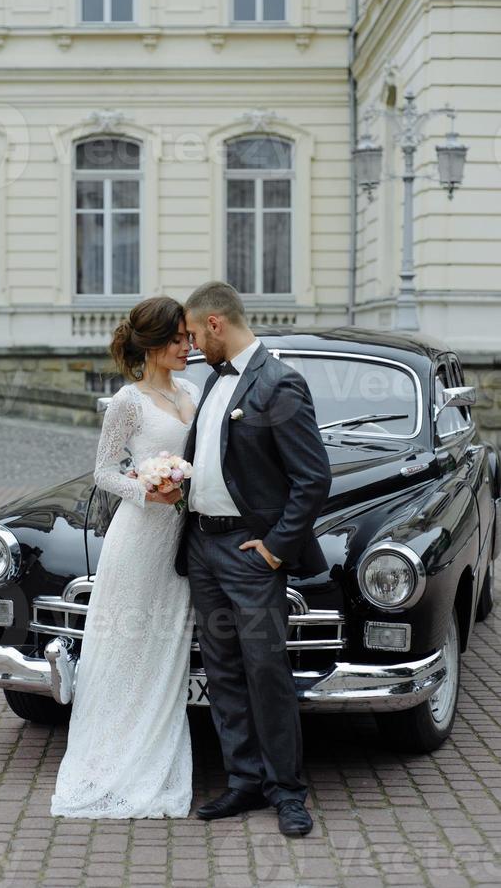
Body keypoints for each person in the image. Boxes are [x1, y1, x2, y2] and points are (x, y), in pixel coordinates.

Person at [177, 280, 332, 837]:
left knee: (266, 669)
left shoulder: (279, 384)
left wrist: (274, 548)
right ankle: (243, 782)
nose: (192, 345)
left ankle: (287, 792)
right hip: (202, 546)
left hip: (249, 553)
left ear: (215, 324)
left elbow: (312, 478)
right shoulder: (212, 381)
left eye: (195, 333)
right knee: (221, 670)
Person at [50, 296, 200, 819]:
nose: (189, 345)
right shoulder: (127, 402)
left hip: (182, 541)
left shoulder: (194, 392)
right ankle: (114, 759)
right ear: (156, 344)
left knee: (164, 651)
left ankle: (154, 748)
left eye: (189, 337)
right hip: (138, 540)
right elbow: (103, 472)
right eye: (180, 338)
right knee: (127, 647)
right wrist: (145, 487)